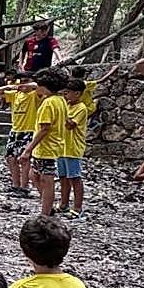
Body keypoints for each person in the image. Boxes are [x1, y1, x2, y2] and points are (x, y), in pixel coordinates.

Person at [18, 68, 68, 218]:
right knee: (34, 175)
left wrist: (28, 149)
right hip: (50, 146)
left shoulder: (48, 103)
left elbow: (44, 129)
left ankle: (45, 213)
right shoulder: (60, 100)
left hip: (47, 147)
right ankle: (48, 206)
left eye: (38, 84)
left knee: (47, 180)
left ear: (44, 86)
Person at [0, 74, 38, 199]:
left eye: (26, 81)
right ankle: (15, 185)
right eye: (21, 81)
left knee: (24, 160)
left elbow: (37, 86)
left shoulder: (34, 95)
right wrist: (11, 86)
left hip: (29, 130)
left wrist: (26, 85)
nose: (23, 84)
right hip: (15, 130)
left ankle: (24, 187)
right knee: (10, 158)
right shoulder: (15, 94)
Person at [58, 79, 91, 218]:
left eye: (68, 93)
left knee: (75, 178)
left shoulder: (81, 108)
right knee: (63, 177)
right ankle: (63, 204)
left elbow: (71, 125)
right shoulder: (68, 105)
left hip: (73, 147)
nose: (66, 96)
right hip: (61, 147)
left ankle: (77, 207)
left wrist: (63, 111)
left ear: (77, 93)